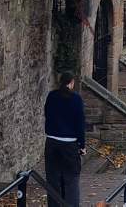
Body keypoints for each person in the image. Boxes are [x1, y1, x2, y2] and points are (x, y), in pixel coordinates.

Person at [43, 72, 86, 207]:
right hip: (69, 144)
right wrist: (82, 145)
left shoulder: (52, 96)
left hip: (52, 143)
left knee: (53, 180)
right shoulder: (76, 99)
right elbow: (80, 123)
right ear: (71, 82)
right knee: (71, 180)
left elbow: (47, 114)